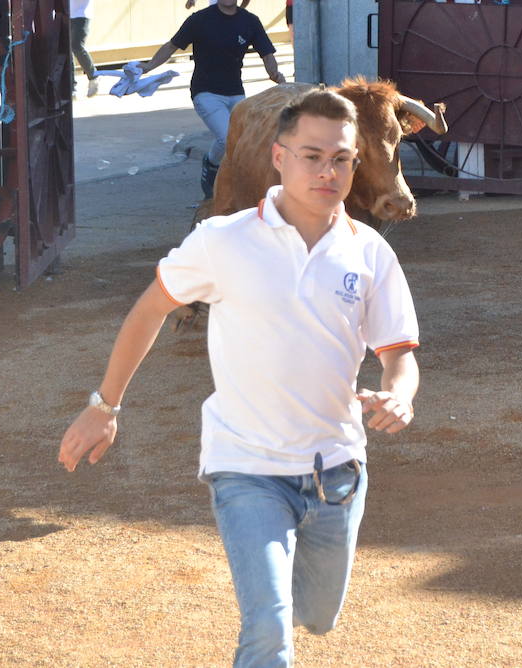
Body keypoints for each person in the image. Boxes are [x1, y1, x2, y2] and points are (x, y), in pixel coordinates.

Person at [57, 84, 420, 668]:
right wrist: (105, 405)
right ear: (279, 158)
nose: (327, 171)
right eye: (311, 155)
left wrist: (400, 395)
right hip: (245, 468)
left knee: (317, 615)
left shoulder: (371, 253)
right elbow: (151, 307)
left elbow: (399, 351)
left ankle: (301, 596)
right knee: (269, 631)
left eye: (342, 159)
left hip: (337, 470)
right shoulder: (221, 240)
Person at [139, 0, 283, 198]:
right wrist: (148, 66)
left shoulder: (250, 22)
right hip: (205, 92)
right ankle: (215, 170)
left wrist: (277, 77)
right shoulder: (200, 20)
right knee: (228, 138)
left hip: (236, 93)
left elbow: (267, 54)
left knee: (242, 141)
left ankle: (219, 170)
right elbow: (171, 45)